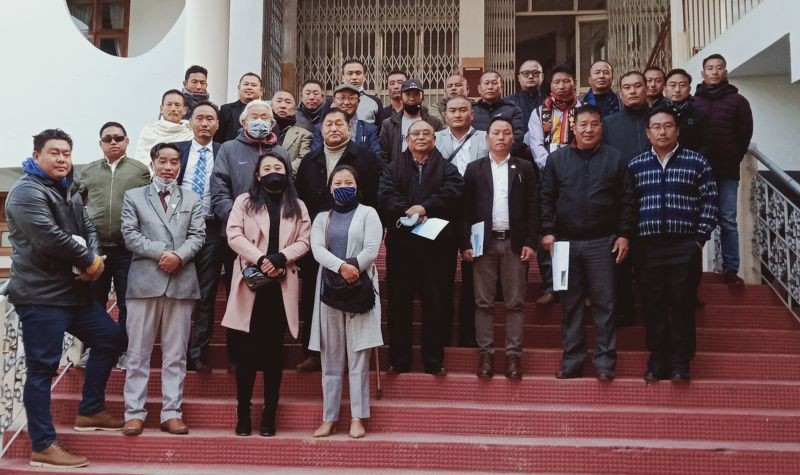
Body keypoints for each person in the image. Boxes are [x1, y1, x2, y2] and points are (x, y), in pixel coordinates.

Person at [7, 129, 125, 468]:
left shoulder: (67, 187)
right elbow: (51, 238)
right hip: (41, 296)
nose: (62, 159)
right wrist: (89, 261)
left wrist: (96, 256)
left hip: (73, 294)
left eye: (67, 153)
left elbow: (88, 226)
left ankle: (90, 410)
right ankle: (43, 445)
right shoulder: (25, 192)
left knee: (111, 338)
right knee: (42, 369)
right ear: (36, 155)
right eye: (55, 153)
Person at [539, 104, 636, 381]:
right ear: (573, 127)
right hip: (565, 245)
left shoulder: (616, 160)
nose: (589, 129)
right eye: (583, 124)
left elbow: (628, 201)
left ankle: (605, 362)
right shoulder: (557, 160)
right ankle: (572, 361)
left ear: (601, 127)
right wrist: (547, 231)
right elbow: (546, 197)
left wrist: (624, 233)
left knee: (605, 305)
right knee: (570, 306)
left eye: (594, 124)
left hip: (602, 243)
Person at [221, 151, 311, 437]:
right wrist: (262, 259)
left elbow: (305, 240)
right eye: (267, 167)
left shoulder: (297, 205)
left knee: (274, 354)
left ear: (286, 173)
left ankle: (269, 413)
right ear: (257, 175)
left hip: (280, 284)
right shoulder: (244, 202)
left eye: (278, 167)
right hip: (252, 281)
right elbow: (233, 235)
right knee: (246, 355)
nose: (273, 171)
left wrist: (282, 257)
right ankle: (244, 412)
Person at [120, 142, 205, 437]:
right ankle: (134, 413)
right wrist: (162, 253)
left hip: (181, 280)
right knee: (138, 353)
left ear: (180, 165)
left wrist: (179, 256)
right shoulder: (134, 196)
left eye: (174, 162)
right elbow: (129, 234)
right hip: (145, 281)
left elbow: (198, 235)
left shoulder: (192, 198)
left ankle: (172, 412)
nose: (168, 167)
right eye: (163, 162)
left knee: (175, 354)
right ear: (153, 163)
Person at [628, 107, 718, 383]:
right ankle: (657, 359)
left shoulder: (696, 162)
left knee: (681, 305)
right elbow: (628, 206)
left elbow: (710, 202)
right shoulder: (636, 165)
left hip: (684, 246)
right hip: (648, 247)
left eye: (668, 126)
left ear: (677, 130)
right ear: (648, 133)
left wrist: (699, 239)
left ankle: (681, 362)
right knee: (653, 305)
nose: (662, 131)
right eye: (656, 127)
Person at [296, 107, 383, 372]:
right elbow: (300, 199)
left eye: (339, 123)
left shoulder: (365, 158)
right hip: (319, 238)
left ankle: (353, 352)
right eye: (328, 124)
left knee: (354, 291)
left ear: (349, 128)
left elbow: (375, 197)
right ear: (320, 130)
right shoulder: (310, 161)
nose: (333, 128)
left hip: (354, 237)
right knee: (314, 292)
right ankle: (314, 352)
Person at [378, 120, 463, 375]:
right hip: (402, 245)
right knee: (399, 304)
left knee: (436, 303)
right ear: (407, 139)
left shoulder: (447, 167)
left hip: (437, 247)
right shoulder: (393, 168)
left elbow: (454, 191)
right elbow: (385, 194)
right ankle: (399, 360)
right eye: (416, 133)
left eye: (427, 133)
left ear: (435, 139)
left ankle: (434, 360)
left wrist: (426, 208)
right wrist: (409, 211)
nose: (422, 137)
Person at [309, 164, 383, 439]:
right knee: (330, 356)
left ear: (357, 185)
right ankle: (329, 417)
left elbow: (371, 249)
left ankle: (357, 417)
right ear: (330, 188)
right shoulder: (321, 217)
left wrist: (354, 268)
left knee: (358, 355)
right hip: (330, 288)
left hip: (359, 288)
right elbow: (317, 249)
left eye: (348, 181)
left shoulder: (368, 213)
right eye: (337, 182)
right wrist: (341, 267)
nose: (343, 186)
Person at [461, 117, 539, 379]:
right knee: (482, 302)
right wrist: (465, 244)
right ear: (487, 138)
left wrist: (530, 241)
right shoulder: (474, 169)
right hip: (483, 242)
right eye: (496, 133)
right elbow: (465, 210)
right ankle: (486, 355)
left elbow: (533, 208)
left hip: (514, 243)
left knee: (515, 303)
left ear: (513, 138)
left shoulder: (524, 168)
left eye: (507, 133)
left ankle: (513, 355)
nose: (502, 137)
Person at [76, 122, 151, 352]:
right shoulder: (89, 171)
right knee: (95, 301)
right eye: (107, 139)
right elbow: (75, 205)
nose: (113, 142)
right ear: (101, 144)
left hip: (126, 248)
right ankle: (94, 348)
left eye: (118, 138)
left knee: (127, 302)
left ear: (127, 141)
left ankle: (124, 349)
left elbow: (150, 205)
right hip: (96, 249)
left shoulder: (139, 170)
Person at [211, 99, 288, 292]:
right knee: (238, 291)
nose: (260, 121)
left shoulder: (280, 152)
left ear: (271, 124)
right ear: (244, 122)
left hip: (274, 234)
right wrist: (239, 222)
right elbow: (219, 190)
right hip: (237, 234)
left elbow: (289, 190)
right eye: (255, 117)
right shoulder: (228, 149)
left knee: (271, 293)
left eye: (265, 117)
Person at [692, 53, 753, 286]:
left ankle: (730, 270)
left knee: (727, 219)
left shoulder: (738, 101)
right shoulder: (693, 101)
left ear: (725, 71)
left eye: (719, 68)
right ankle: (693, 273)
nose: (715, 72)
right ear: (703, 73)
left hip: (726, 170)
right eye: (710, 68)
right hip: (697, 173)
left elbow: (744, 134)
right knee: (695, 222)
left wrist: (732, 157)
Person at [434, 95, 488, 347]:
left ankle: (469, 334)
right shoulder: (434, 138)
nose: (457, 114)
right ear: (445, 115)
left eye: (462, 110)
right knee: (442, 275)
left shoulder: (484, 138)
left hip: (475, 212)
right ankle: (442, 334)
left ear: (472, 114)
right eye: (452, 110)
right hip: (443, 211)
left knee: (472, 276)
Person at [174, 101, 223, 373]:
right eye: (200, 118)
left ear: (217, 124)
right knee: (178, 293)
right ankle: (176, 351)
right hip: (178, 228)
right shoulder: (176, 152)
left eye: (210, 119)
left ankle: (198, 353)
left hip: (212, 228)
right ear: (190, 122)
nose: (205, 123)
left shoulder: (224, 151)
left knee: (206, 293)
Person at [528, 64, 581, 305]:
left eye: (566, 81)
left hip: (579, 175)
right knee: (547, 230)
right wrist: (552, 166)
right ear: (550, 86)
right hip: (547, 176)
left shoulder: (583, 110)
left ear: (574, 84)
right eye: (557, 81)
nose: (561, 85)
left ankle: (578, 287)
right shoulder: (540, 113)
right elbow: (536, 145)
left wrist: (571, 164)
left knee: (575, 230)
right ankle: (550, 286)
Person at [602, 71, 650, 326]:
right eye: (627, 87)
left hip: (653, 199)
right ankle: (624, 311)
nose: (632, 91)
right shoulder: (609, 123)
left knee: (648, 260)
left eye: (637, 86)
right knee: (619, 259)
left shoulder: (659, 120)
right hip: (618, 200)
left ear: (648, 88)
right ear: (620, 93)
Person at [379, 79, 443, 164]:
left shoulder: (434, 123)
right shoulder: (389, 124)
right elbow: (383, 156)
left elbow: (440, 151)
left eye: (416, 95)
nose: (412, 99)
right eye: (408, 95)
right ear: (401, 98)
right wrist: (390, 173)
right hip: (398, 172)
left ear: (422, 97)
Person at [310, 83, 380, 156]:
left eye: (351, 98)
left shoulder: (369, 129)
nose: (346, 102)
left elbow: (376, 159)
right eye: (341, 98)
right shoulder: (320, 128)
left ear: (358, 102)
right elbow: (315, 156)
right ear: (334, 101)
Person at [133, 89, 194, 163]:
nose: (173, 109)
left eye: (177, 105)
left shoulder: (190, 132)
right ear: (161, 109)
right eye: (169, 104)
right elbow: (141, 162)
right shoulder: (149, 131)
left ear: (184, 110)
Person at [472, 71, 526, 153]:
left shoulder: (513, 110)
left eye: (494, 83)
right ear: (479, 88)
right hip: (476, 158)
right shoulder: (471, 111)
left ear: (501, 87)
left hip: (505, 157)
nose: (490, 87)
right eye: (486, 83)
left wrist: (498, 156)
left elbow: (517, 139)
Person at [663, 68, 710, 158]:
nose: (677, 90)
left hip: (691, 165)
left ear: (689, 89)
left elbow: (707, 144)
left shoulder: (699, 114)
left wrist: (694, 161)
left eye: (682, 85)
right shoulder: (656, 113)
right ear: (665, 88)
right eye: (672, 85)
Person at [271, 90, 312, 174]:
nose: (283, 106)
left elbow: (303, 158)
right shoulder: (263, 131)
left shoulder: (304, 134)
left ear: (294, 110)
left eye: (288, 102)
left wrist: (283, 173)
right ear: (271, 106)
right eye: (279, 101)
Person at [216, 72, 264, 143]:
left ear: (261, 91)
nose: (249, 87)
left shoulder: (267, 112)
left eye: (253, 85)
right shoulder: (225, 110)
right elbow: (218, 138)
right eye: (246, 84)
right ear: (238, 88)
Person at [342, 59, 383, 124]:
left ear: (364, 77)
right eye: (350, 74)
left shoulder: (375, 102)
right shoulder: (333, 102)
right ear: (343, 77)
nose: (354, 77)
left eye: (358, 73)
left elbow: (380, 130)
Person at [506, 60, 545, 125]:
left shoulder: (549, 102)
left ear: (542, 77)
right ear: (519, 78)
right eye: (526, 73)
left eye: (535, 73)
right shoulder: (507, 102)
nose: (530, 76)